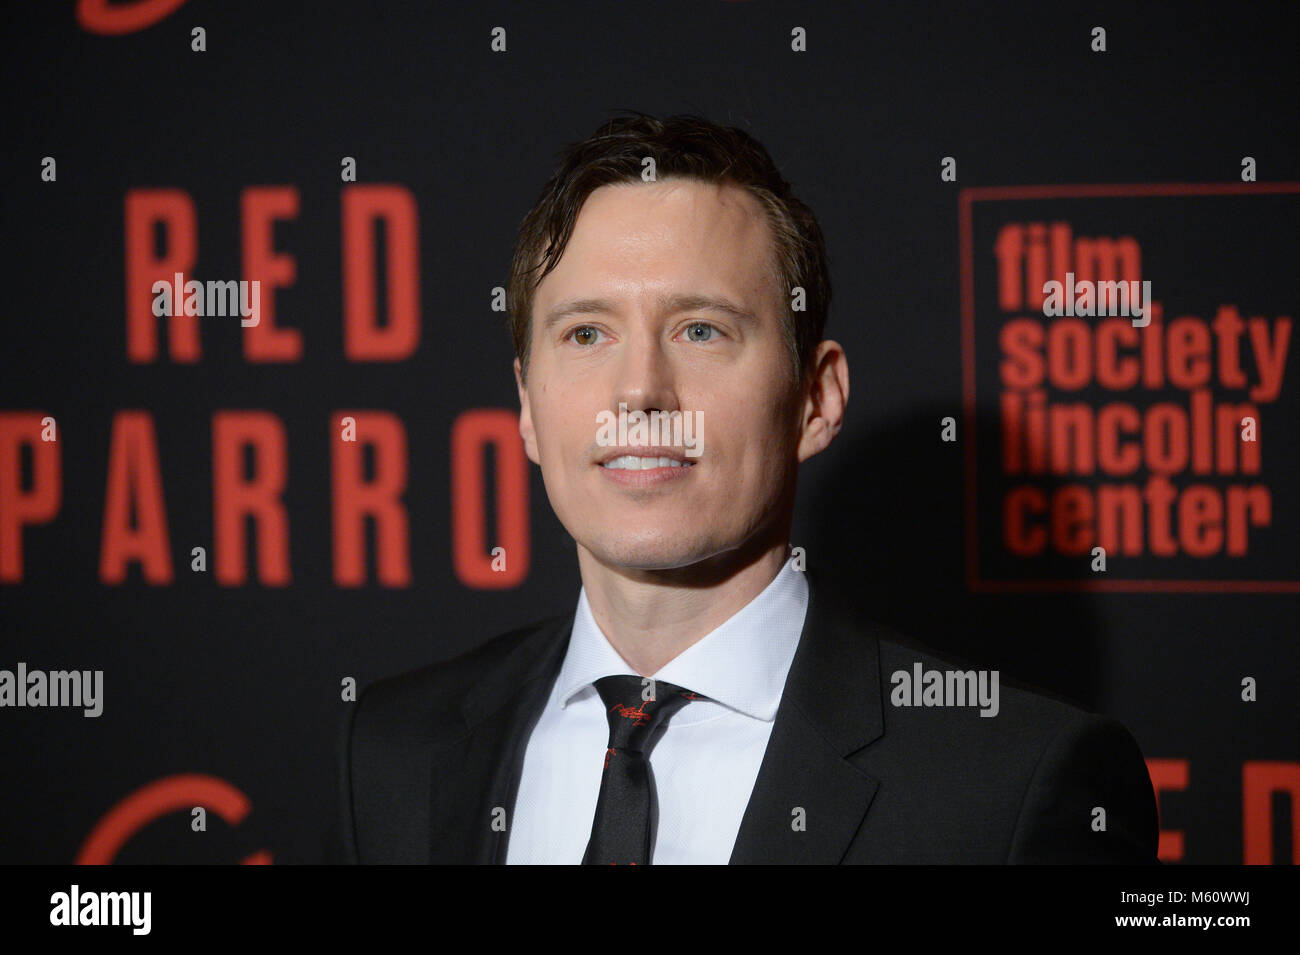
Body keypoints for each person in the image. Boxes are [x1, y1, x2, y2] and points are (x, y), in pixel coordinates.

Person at [332, 113, 1159, 864]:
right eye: (586, 332)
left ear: (816, 399)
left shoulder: (1012, 787)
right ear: (526, 407)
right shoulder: (395, 750)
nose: (639, 391)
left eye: (701, 329)